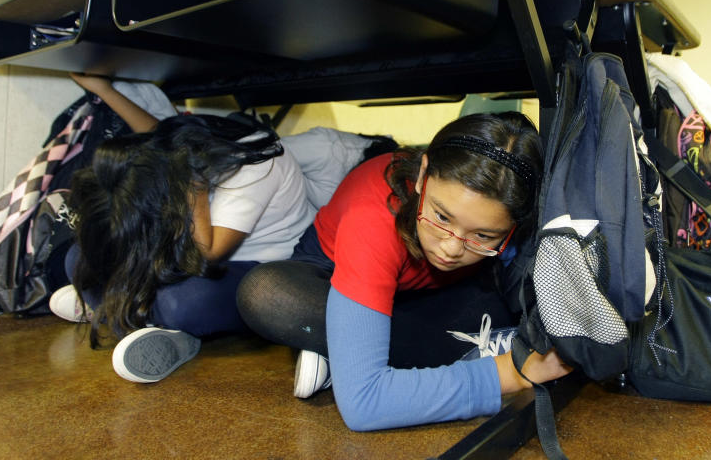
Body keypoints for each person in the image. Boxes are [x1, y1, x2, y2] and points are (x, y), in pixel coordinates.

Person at [236, 112, 572, 431]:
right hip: (335, 270)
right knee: (268, 295)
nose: (452, 248)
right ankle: (363, 349)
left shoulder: (510, 224)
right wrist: (511, 371)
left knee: (513, 305)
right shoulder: (374, 218)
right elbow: (364, 403)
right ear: (423, 175)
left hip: (436, 293)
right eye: (442, 217)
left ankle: (349, 351)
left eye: (483, 235)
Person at [53, 73, 316, 383]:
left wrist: (193, 187)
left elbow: (208, 254)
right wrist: (103, 89)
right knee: (75, 258)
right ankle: (132, 310)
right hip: (191, 252)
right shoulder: (177, 149)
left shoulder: (255, 164)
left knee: (184, 304)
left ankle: (129, 311)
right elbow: (152, 131)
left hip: (259, 266)